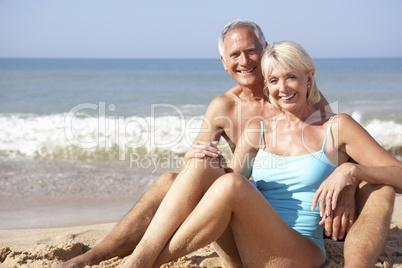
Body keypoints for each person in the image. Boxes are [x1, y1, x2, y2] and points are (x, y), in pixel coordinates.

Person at [59, 20, 394, 268]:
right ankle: (112, 256)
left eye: (290, 76)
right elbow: (201, 183)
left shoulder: (326, 118)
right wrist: (199, 159)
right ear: (224, 62)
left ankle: (141, 262)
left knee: (231, 184)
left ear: (308, 76)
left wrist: (350, 174)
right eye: (274, 80)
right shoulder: (243, 119)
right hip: (245, 229)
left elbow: (336, 155)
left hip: (295, 245)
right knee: (182, 175)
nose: (280, 86)